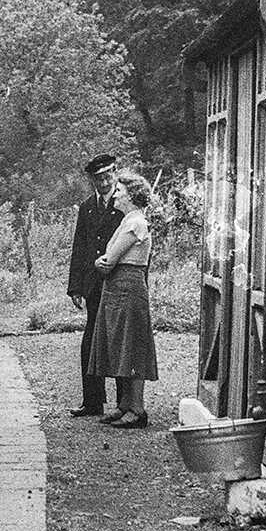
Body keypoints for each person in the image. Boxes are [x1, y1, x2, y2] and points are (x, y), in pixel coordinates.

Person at [88, 170, 159, 428]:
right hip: (117, 288)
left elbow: (109, 261)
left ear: (131, 195)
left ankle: (137, 409)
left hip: (128, 287)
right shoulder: (127, 220)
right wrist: (102, 262)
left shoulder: (135, 223)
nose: (114, 193)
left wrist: (99, 262)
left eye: (119, 190)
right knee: (121, 346)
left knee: (133, 346)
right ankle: (125, 405)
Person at [65, 154, 122, 417]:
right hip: (93, 286)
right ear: (92, 180)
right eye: (99, 178)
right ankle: (93, 401)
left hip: (118, 283)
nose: (104, 182)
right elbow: (80, 248)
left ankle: (125, 404)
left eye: (108, 176)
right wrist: (76, 287)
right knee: (91, 342)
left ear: (115, 174)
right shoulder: (87, 207)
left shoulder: (125, 205)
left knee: (121, 341)